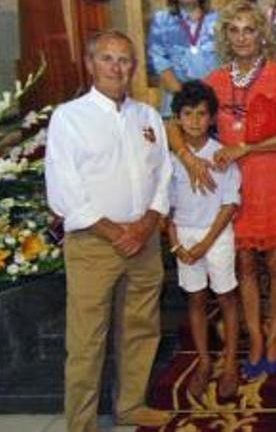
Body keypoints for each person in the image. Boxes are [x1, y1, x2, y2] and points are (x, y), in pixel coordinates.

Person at [170, 0, 276, 378]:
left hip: (274, 175)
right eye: (235, 30)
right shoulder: (214, 79)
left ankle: (275, 335)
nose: (243, 37)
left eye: (250, 29)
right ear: (226, 35)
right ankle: (255, 340)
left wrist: (248, 147)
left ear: (262, 34)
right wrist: (187, 156)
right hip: (231, 180)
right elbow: (175, 118)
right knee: (244, 262)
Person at [45, 30, 172, 431]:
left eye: (125, 60)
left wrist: (147, 223)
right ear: (90, 63)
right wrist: (115, 231)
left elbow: (165, 175)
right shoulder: (70, 117)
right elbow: (65, 190)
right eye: (108, 59)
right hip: (94, 245)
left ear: (134, 67)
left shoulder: (148, 117)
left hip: (145, 241)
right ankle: (80, 424)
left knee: (140, 329)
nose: (117, 68)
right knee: (86, 341)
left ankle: (130, 406)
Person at [165, 81, 241, 400]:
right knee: (196, 299)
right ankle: (204, 360)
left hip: (217, 234)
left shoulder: (221, 155)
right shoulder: (169, 159)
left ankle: (231, 363)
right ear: (178, 118)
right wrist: (176, 245)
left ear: (211, 118)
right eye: (188, 114)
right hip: (184, 235)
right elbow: (165, 208)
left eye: (201, 114)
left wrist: (207, 242)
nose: (195, 120)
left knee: (225, 297)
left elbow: (230, 203)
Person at [147, 0, 218, 118]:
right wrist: (185, 98)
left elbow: (226, 59)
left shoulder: (218, 20)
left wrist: (207, 99)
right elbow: (159, 61)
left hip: (214, 100)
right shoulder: (161, 20)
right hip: (177, 100)